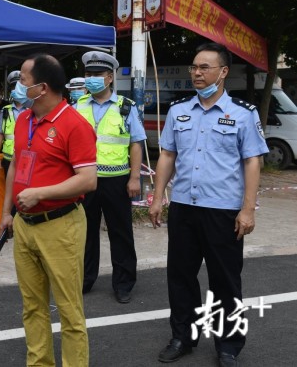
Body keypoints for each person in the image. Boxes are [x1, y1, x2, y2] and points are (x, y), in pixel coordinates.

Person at [149, 43, 268, 367]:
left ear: (223, 72)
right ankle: (182, 337)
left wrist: (247, 209)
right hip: (185, 207)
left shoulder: (243, 113)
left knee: (225, 281)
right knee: (181, 276)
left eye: (204, 67)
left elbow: (252, 162)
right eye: (194, 67)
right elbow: (168, 156)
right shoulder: (179, 111)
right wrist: (159, 197)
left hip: (223, 210)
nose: (197, 73)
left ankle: (228, 345)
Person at [0, 53, 97, 367]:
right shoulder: (25, 119)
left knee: (69, 311)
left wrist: (39, 193)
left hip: (61, 225)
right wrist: (6, 212)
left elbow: (88, 180)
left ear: (41, 88)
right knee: (32, 307)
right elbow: (16, 164)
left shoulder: (74, 124)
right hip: (25, 223)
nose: (17, 86)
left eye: (22, 81)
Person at [75, 51, 146, 304]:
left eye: (97, 75)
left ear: (109, 78)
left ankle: (124, 283)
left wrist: (135, 178)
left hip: (117, 180)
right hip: (84, 180)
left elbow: (136, 144)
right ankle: (84, 279)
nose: (91, 78)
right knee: (85, 232)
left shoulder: (125, 107)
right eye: (88, 74)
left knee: (121, 233)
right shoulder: (77, 106)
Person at [0, 70, 28, 176]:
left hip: (27, 158)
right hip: (8, 158)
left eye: (19, 86)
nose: (15, 89)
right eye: (13, 87)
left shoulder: (33, 109)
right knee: (10, 188)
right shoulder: (5, 110)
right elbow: (0, 133)